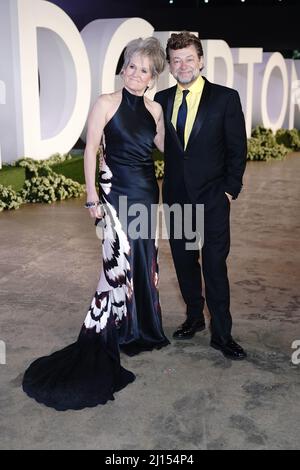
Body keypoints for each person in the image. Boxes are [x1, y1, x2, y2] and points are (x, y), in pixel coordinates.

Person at [22, 37, 169, 410]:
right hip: (114, 193)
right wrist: (91, 195)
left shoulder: (154, 110)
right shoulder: (106, 102)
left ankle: (143, 329)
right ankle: (113, 327)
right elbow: (91, 148)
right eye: (131, 65)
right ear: (124, 67)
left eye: (143, 70)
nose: (135, 74)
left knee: (144, 258)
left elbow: (168, 148)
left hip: (147, 192)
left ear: (152, 78)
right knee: (115, 260)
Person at [155, 32, 247, 360]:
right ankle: (194, 317)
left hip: (212, 198)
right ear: (169, 65)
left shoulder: (225, 98)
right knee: (184, 262)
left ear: (201, 61)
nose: (183, 66)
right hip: (178, 197)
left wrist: (229, 191)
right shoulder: (161, 100)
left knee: (213, 265)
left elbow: (238, 149)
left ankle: (222, 333)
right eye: (176, 60)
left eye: (189, 59)